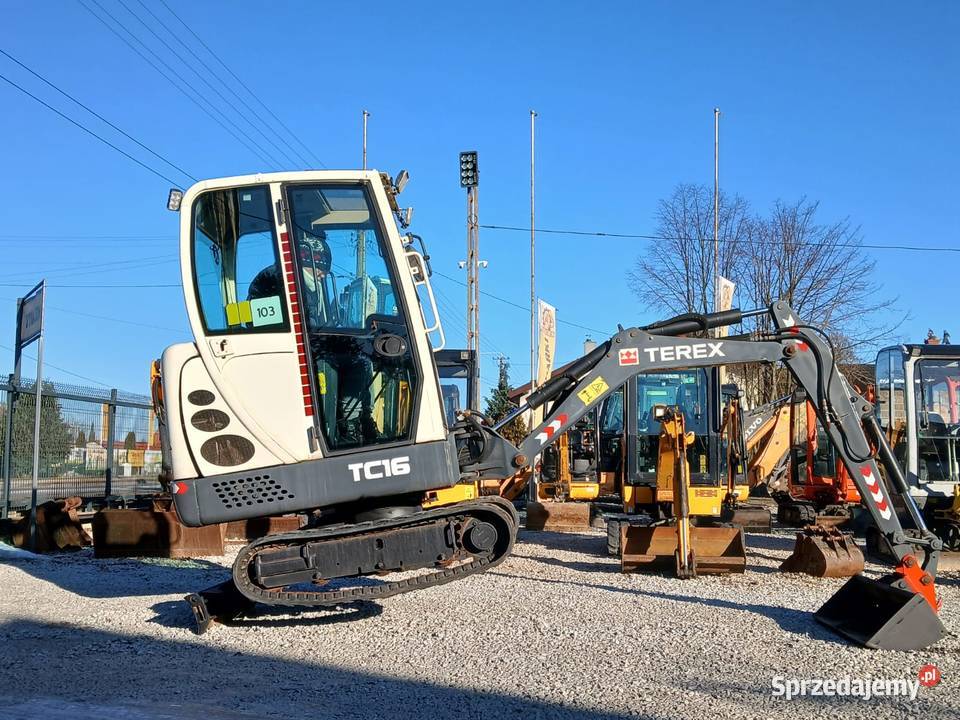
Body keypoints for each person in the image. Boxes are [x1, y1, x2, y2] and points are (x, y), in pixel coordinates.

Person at [247, 231, 334, 331]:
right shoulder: (277, 280)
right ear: (308, 263)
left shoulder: (310, 287)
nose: (323, 275)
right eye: (321, 269)